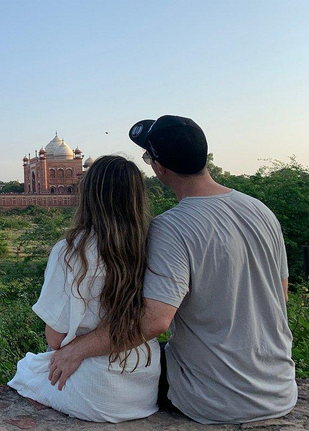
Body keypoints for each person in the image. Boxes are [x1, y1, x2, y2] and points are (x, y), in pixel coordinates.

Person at [48, 115, 297, 424]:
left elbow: (154, 321)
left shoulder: (172, 227)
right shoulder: (261, 211)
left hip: (215, 399)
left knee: (121, 366)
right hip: (279, 389)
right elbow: (280, 295)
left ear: (159, 168)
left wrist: (77, 350)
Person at [8, 155, 161, 423]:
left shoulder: (70, 251)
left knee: (26, 369)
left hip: (93, 392)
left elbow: (55, 339)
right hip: (143, 388)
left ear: (87, 195)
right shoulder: (155, 245)